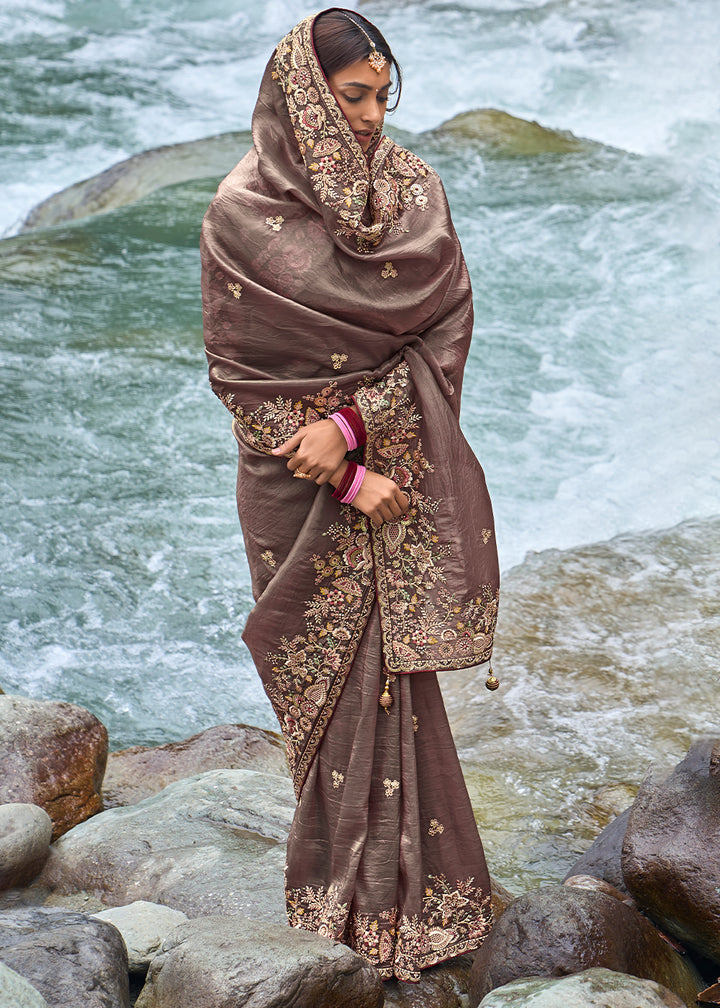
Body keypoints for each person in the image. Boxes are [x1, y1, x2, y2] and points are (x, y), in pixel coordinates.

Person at [200, 7, 500, 983]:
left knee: (396, 689)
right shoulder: (240, 217)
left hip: (383, 463)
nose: (373, 116)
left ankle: (419, 911)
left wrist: (362, 429)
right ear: (304, 97)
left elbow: (444, 325)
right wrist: (340, 467)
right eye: (353, 96)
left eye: (384, 95)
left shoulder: (414, 190)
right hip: (292, 495)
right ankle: (338, 913)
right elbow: (243, 384)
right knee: (330, 705)